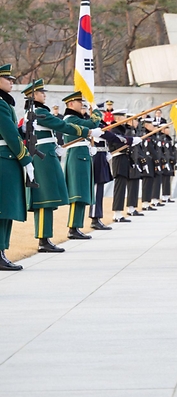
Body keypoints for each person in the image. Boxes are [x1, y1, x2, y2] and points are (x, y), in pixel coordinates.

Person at [22, 80, 102, 252]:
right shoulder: (40, 111)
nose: (44, 94)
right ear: (33, 95)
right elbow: (62, 126)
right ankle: (43, 240)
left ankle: (45, 239)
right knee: (44, 199)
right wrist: (87, 132)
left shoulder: (37, 111)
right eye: (41, 92)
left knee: (47, 199)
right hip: (43, 159)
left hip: (45, 155)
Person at [61, 93, 133, 239]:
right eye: (79, 102)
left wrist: (129, 140)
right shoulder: (71, 119)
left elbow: (103, 131)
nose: (82, 105)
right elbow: (93, 125)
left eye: (83, 103)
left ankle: (77, 227)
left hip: (85, 155)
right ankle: (75, 227)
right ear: (70, 104)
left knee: (83, 194)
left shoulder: (78, 119)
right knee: (78, 194)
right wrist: (96, 112)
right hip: (78, 156)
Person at [0, 64, 34, 271]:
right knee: (3, 208)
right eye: (8, 79)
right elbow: (9, 135)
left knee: (6, 209)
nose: (12, 82)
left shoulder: (5, 104)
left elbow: (14, 131)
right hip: (4, 158)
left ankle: (2, 251)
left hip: (7, 158)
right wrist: (26, 159)